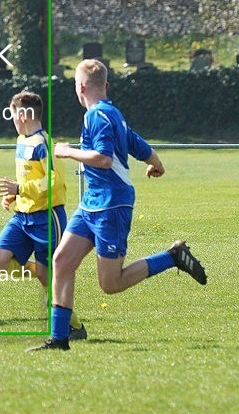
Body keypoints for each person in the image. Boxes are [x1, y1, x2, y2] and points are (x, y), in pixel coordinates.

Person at [30, 59, 207, 351]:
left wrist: (67, 151)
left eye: (76, 85)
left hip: (112, 206)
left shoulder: (97, 116)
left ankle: (173, 256)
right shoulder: (113, 114)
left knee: (110, 284)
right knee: (62, 261)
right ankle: (59, 339)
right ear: (106, 86)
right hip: (92, 204)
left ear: (81, 87)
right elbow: (136, 143)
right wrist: (157, 164)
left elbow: (104, 158)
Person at [0, 91, 85, 339]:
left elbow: (54, 181)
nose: (11, 119)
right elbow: (29, 179)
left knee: (50, 280)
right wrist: (14, 195)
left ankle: (75, 326)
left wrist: (20, 189)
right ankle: (39, 270)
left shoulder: (44, 144)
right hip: (22, 217)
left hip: (46, 219)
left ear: (23, 114)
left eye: (12, 114)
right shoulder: (22, 140)